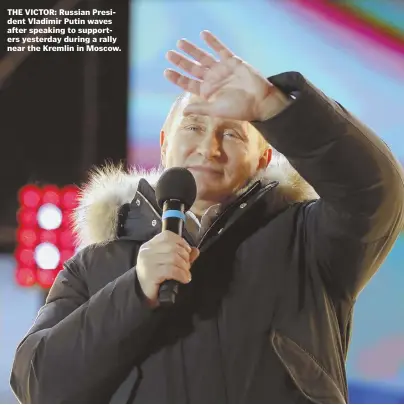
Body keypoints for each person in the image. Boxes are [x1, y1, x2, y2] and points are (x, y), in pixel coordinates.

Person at [11, 31, 404, 404]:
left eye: (232, 134)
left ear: (264, 158)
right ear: (165, 144)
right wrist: (136, 291)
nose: (208, 147)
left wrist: (273, 106)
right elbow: (38, 385)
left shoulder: (308, 240)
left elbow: (376, 191)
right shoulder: (93, 267)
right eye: (194, 127)